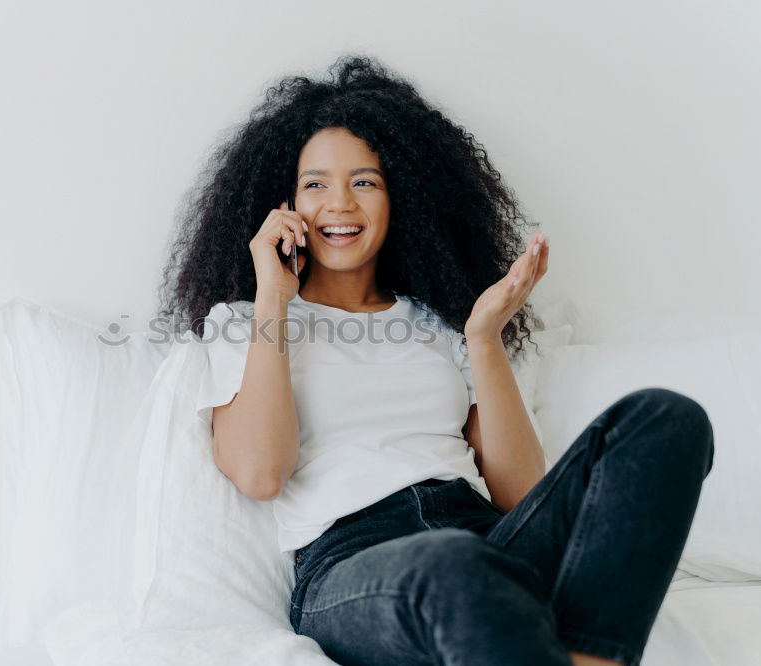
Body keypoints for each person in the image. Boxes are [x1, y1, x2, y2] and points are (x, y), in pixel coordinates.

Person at [157, 53, 713, 666]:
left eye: (364, 182)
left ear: (402, 200)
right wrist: (273, 297)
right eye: (315, 184)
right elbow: (262, 473)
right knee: (455, 563)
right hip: (353, 565)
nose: (339, 203)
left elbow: (522, 493)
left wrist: (482, 340)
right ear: (283, 204)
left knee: (666, 419)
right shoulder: (249, 320)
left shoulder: (436, 323)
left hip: (484, 537)